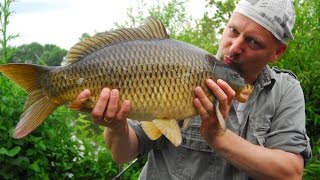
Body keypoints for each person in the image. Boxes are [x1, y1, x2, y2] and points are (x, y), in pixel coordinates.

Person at [77, 0, 311, 179]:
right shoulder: (181, 68)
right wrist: (117, 127)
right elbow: (123, 153)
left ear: (277, 52)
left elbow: (290, 173)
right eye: (233, 31)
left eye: (253, 42)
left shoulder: (284, 91)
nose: (235, 47)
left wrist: (218, 137)